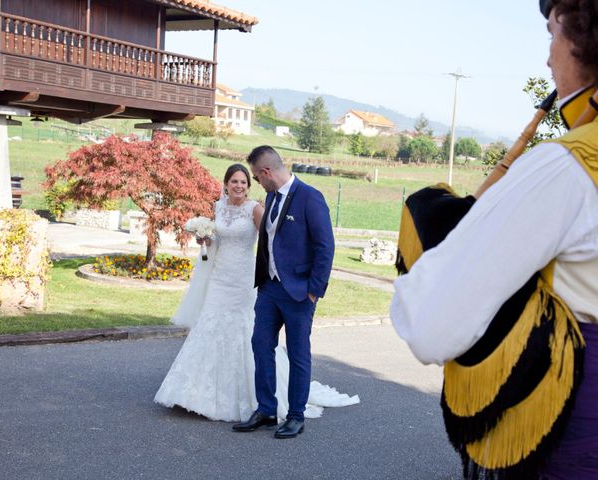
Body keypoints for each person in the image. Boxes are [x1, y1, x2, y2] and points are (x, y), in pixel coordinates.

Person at [391, 0, 598, 478]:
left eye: (552, 33)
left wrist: (440, 239)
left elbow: (431, 325)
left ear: (586, 38)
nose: (548, 59)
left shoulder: (566, 167)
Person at [155, 163, 358, 423]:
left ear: (249, 186)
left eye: (243, 182)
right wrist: (205, 239)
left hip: (244, 278)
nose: (238, 186)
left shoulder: (256, 209)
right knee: (211, 325)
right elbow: (218, 239)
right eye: (234, 182)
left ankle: (260, 398)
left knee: (251, 334)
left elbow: (272, 240)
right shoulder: (218, 208)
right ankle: (195, 393)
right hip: (220, 276)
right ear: (226, 184)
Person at [232, 146, 337, 439]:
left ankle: (295, 416)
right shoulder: (270, 196)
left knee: (298, 354)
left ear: (266, 172)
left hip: (299, 293)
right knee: (260, 344)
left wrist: (313, 291)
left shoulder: (310, 198)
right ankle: (266, 409)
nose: (256, 182)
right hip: (270, 289)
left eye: (256, 176)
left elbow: (325, 247)